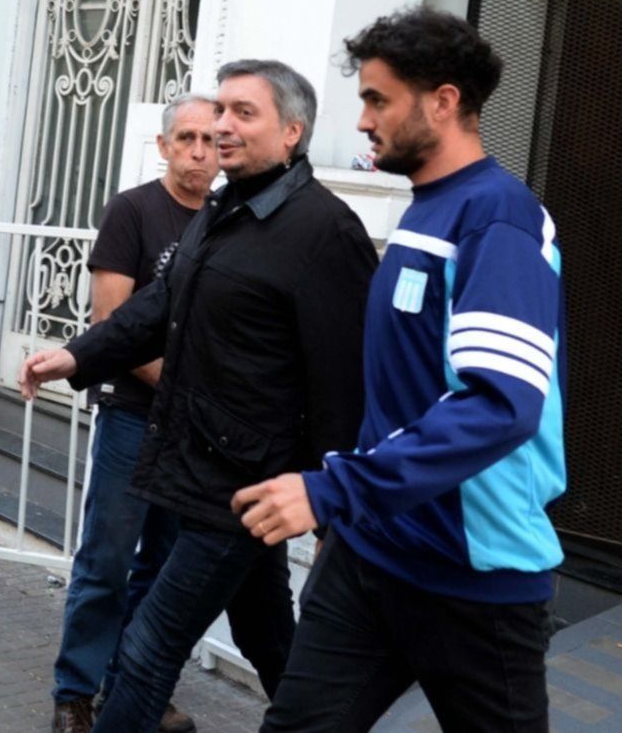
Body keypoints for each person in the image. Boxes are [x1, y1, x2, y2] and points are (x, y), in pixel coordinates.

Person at [22, 59, 378, 732]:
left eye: (244, 113)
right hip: (200, 462)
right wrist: (78, 355)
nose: (221, 127)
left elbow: (344, 383)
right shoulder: (224, 208)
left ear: (292, 132)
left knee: (148, 645)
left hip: (243, 483)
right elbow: (160, 303)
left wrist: (335, 503)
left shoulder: (324, 231)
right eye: (220, 110)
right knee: (268, 634)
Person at [237, 8, 566, 732]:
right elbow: (403, 389)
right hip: (371, 554)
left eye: (377, 100)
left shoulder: (498, 220)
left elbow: (498, 405)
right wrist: (348, 504)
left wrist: (337, 489)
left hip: (473, 578)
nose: (362, 121)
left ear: (443, 101)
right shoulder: (430, 208)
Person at [52, 93, 219, 733]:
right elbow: (112, 324)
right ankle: (75, 692)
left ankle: (133, 686)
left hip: (194, 429)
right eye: (187, 139)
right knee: (107, 560)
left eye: (210, 140)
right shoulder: (133, 210)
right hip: (134, 416)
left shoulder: (228, 217)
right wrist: (186, 391)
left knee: (166, 567)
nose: (199, 152)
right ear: (164, 146)